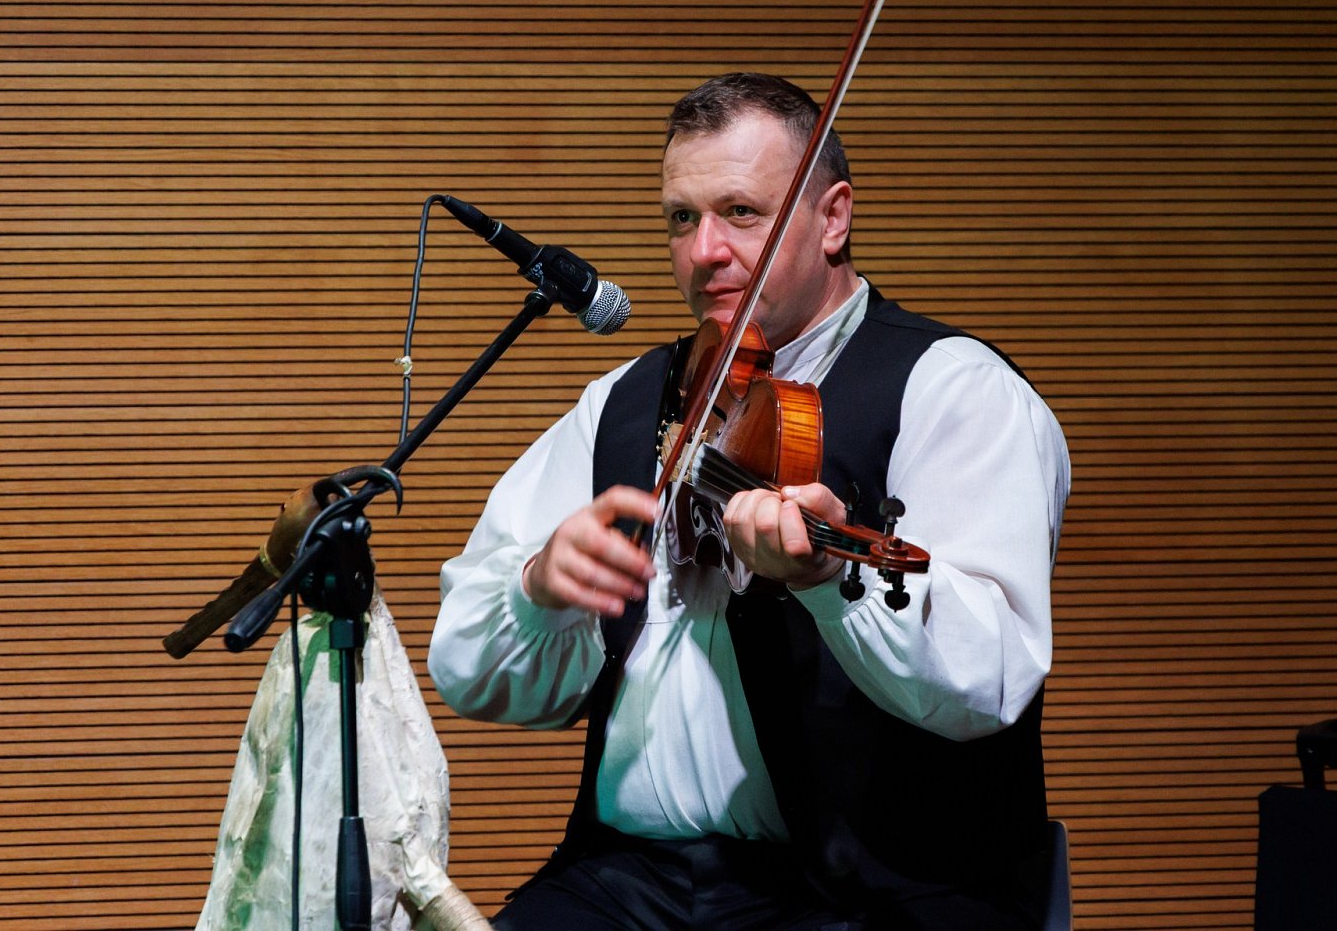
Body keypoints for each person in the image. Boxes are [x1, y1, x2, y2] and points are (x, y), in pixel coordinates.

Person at [427, 73, 1070, 930]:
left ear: (833, 218)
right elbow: (469, 669)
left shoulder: (955, 391)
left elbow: (989, 679)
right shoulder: (624, 400)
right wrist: (540, 587)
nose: (704, 251)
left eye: (740, 212)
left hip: (869, 898)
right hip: (627, 883)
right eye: (680, 219)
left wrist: (831, 579)